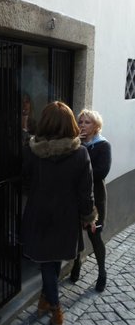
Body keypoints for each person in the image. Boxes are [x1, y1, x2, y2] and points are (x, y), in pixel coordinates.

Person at [21, 101, 97, 325]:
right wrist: (89, 216)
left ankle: (46, 301)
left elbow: (25, 183)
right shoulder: (80, 153)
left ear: (44, 123)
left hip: (39, 215)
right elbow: (86, 192)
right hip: (66, 217)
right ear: (70, 124)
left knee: (47, 261)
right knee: (52, 261)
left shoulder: (32, 152)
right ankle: (55, 309)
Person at [70, 109, 112, 292]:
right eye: (80, 122)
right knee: (76, 236)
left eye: (87, 122)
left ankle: (102, 272)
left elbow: (101, 171)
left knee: (95, 237)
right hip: (75, 198)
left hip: (96, 198)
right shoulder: (76, 144)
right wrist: (77, 144)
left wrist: (80, 173)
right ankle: (76, 264)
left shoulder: (103, 146)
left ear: (96, 126)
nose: (82, 125)